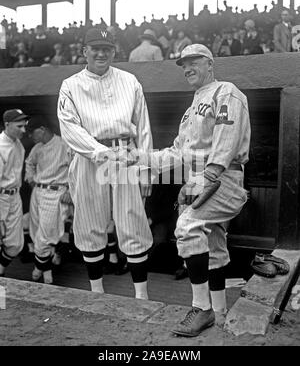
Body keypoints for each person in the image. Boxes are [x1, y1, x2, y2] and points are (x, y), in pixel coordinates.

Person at [133, 44, 250, 336]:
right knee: (213, 245)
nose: (188, 68)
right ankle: (221, 313)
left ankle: (202, 308)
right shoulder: (189, 111)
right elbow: (177, 153)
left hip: (222, 176)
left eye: (194, 61)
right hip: (201, 177)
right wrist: (141, 157)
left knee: (187, 226)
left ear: (210, 63)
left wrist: (209, 174)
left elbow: (228, 136)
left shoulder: (226, 91)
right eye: (183, 64)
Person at [57, 28, 153, 299]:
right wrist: (100, 152)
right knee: (89, 223)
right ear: (84, 50)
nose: (101, 53)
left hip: (126, 154)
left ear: (114, 51)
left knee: (133, 222)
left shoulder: (130, 80)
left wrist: (146, 169)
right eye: (95, 48)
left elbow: (143, 128)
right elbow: (70, 128)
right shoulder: (70, 84)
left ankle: (141, 296)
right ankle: (97, 292)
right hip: (89, 158)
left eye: (107, 48)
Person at [25, 116, 72, 284]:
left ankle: (40, 268)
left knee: (45, 237)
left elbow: (76, 169)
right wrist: (30, 179)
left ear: (42, 129)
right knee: (36, 231)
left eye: (32, 132)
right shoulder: (37, 148)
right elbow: (29, 163)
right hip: (37, 191)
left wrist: (70, 190)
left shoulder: (64, 144)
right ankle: (47, 271)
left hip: (55, 193)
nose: (30, 136)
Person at [0, 109, 28, 276]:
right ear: (7, 124)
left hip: (14, 196)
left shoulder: (18, 143)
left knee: (15, 244)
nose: (24, 131)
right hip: (1, 196)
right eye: (20, 126)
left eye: (25, 126)